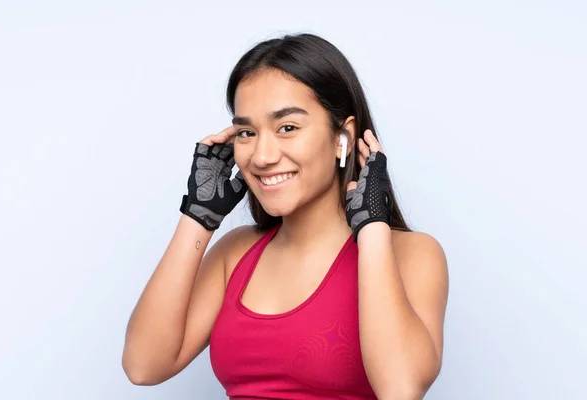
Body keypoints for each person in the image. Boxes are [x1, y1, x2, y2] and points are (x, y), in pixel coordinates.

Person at [122, 32, 449, 400]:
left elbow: (401, 389)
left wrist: (372, 229)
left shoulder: (412, 255)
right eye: (247, 131)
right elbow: (143, 365)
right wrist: (198, 216)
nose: (261, 156)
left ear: (342, 137)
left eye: (287, 128)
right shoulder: (236, 252)